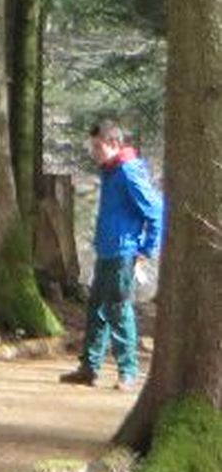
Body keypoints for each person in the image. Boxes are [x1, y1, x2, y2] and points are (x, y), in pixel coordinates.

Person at [61, 121, 163, 390]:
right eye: (92, 146)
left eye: (98, 147)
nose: (94, 152)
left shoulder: (128, 172)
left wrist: (146, 250)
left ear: (114, 144)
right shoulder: (110, 171)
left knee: (118, 309)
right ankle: (89, 368)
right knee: (96, 309)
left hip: (123, 252)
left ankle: (128, 371)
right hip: (106, 251)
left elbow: (154, 211)